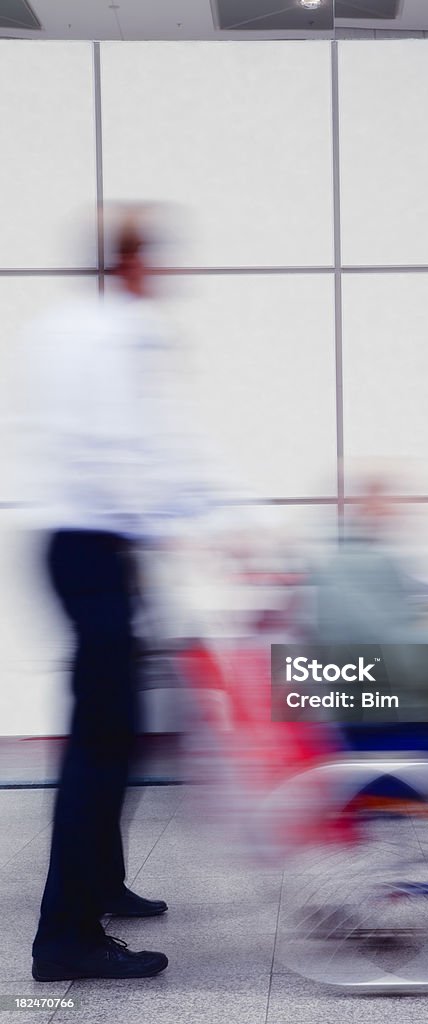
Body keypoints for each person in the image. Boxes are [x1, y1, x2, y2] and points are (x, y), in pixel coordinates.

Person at [21, 208, 217, 981]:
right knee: (102, 747)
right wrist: (197, 522)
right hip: (97, 550)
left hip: (84, 552)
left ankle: (99, 884)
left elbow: (143, 448)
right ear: (131, 263)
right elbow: (132, 451)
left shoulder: (71, 330)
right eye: (154, 261)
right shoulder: (116, 334)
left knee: (115, 737)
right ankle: (63, 941)